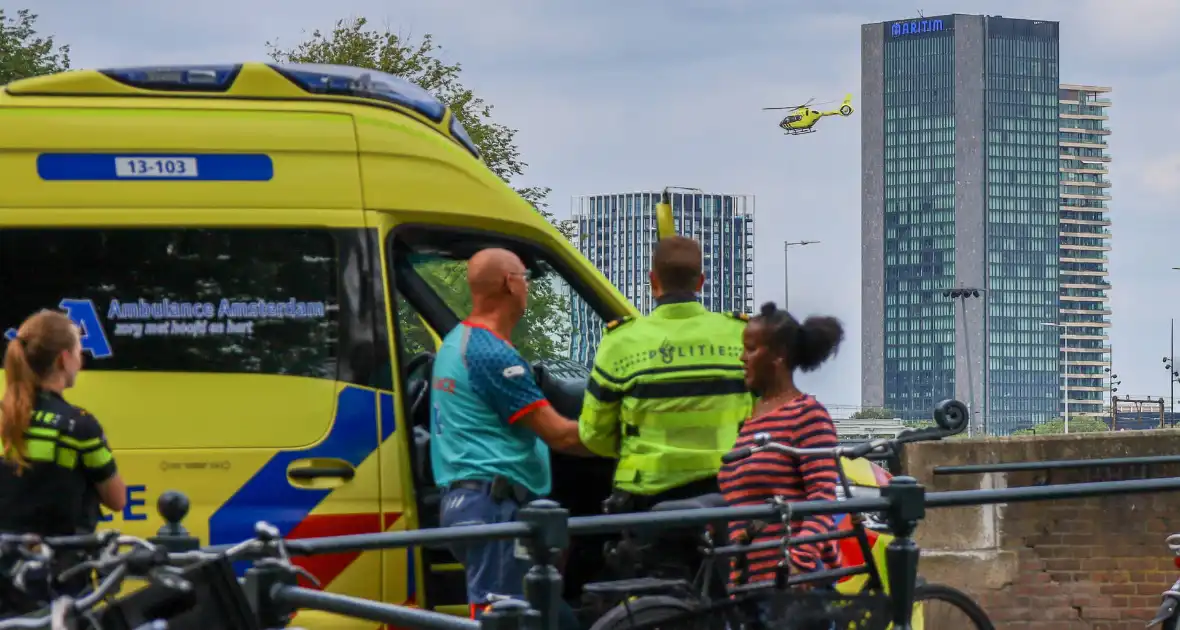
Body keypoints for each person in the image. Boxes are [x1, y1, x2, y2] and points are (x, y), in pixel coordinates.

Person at [430, 248, 590, 623]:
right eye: (525, 278)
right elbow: (560, 435)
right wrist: (628, 437)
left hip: (470, 502)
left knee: (551, 616)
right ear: (510, 283)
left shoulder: (457, 340)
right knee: (509, 618)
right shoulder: (492, 354)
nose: (528, 287)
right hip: (496, 510)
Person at [578, 236, 752, 574]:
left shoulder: (621, 342)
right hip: (728, 500)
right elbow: (764, 417)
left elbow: (594, 434)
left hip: (649, 505)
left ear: (652, 280)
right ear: (701, 281)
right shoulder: (741, 336)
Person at [0, 309, 127, 605]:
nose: (81, 362)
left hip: (6, 575)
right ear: (63, 359)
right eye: (78, 352)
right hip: (58, 577)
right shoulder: (78, 425)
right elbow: (117, 499)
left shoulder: (5, 420)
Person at [718, 301, 845, 593]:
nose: (742, 358)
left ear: (778, 355)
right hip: (749, 582)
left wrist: (798, 561)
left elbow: (822, 501)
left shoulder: (807, 415)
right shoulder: (751, 420)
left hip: (790, 583)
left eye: (751, 349)